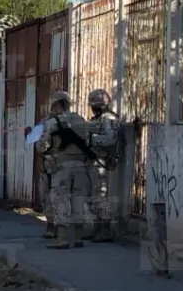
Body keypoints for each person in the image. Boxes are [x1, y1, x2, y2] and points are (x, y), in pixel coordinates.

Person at [34, 91, 93, 250]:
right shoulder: (81, 120)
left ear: (56, 104)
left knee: (60, 201)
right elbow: (89, 142)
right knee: (78, 202)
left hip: (61, 168)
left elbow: (41, 145)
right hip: (81, 168)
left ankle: (63, 239)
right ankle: (78, 238)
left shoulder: (53, 122)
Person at [83, 88, 121, 244]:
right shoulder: (96, 119)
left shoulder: (109, 119)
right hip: (92, 162)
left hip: (101, 163)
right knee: (93, 198)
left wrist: (91, 139)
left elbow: (110, 140)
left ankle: (105, 230)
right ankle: (98, 229)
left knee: (100, 197)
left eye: (94, 105)